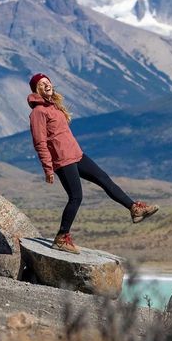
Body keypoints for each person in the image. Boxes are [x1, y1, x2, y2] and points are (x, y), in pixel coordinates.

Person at [27, 72, 159, 254]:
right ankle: (61, 237)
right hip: (62, 159)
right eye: (41, 84)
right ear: (36, 90)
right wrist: (48, 168)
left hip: (77, 154)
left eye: (47, 81)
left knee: (103, 178)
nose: (46, 84)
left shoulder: (54, 106)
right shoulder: (38, 112)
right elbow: (40, 142)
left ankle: (134, 208)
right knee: (76, 197)